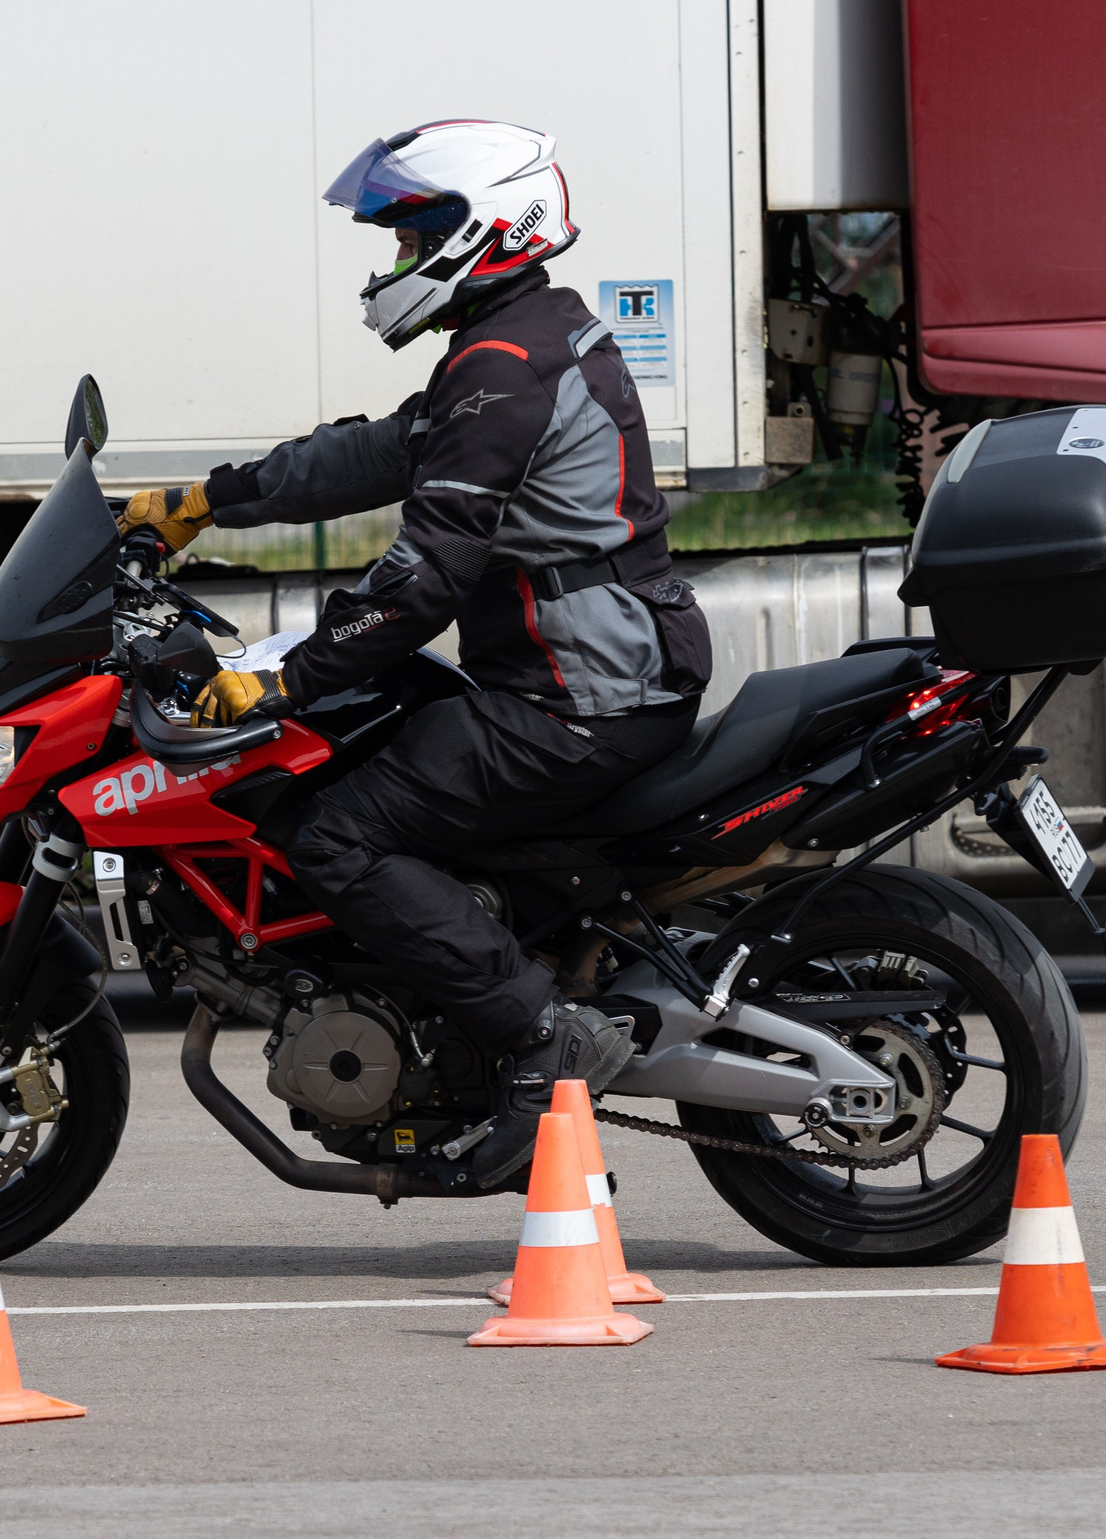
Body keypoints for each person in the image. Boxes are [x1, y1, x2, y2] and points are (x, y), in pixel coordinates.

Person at [116, 120, 710, 1182]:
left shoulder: (503, 366)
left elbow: (420, 580)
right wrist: (211, 497)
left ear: (480, 228)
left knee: (337, 837)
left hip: (577, 699)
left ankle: (541, 1037)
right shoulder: (518, 339)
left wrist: (280, 679)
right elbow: (381, 451)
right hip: (598, 678)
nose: (391, 263)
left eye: (407, 237)